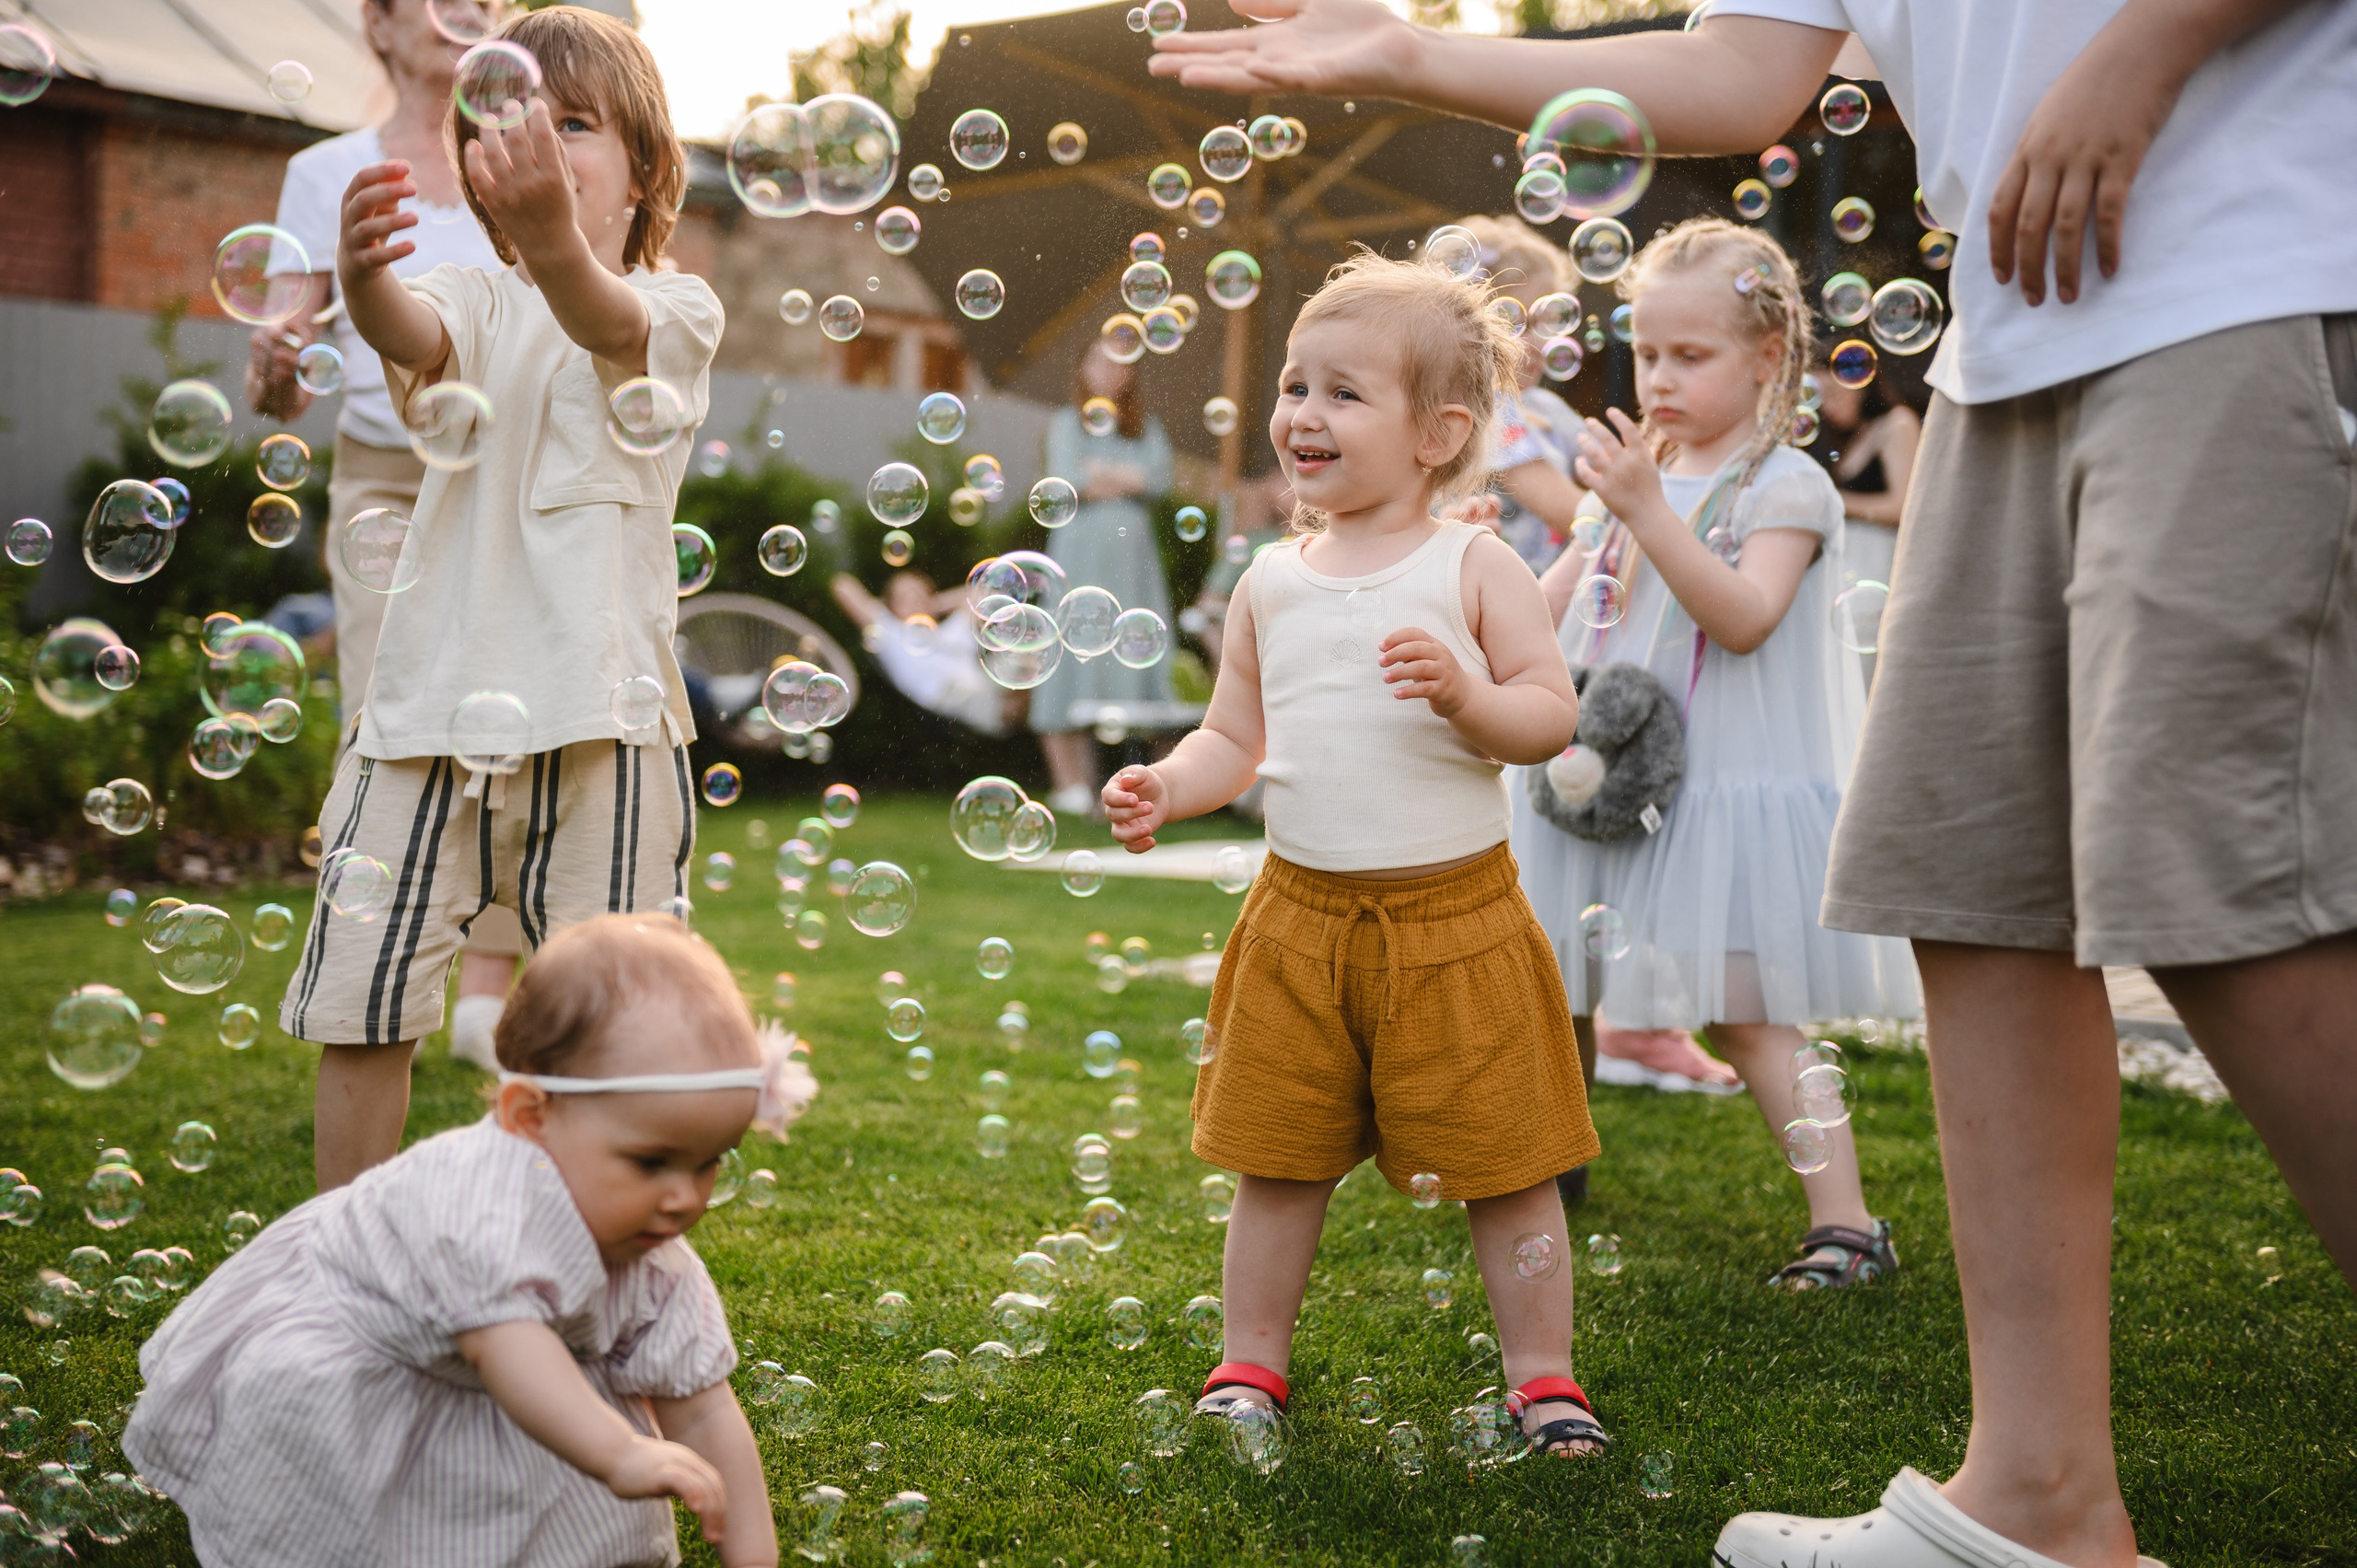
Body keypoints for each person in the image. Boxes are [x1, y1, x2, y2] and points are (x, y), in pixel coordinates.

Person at [1152, 3, 2357, 1564]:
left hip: (2247, 278)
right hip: (2016, 338)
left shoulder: (1772, 480)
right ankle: (2038, 1496)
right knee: (1980, 897)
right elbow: (1741, 67)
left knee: (2225, 890)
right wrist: (1405, 52)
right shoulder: (1301, 573)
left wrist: (2139, 50)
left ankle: (1898, 1302)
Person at [1103, 250, 1608, 1457]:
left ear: (1439, 432)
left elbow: (1550, 712)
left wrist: (1471, 700)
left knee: (1508, 1161)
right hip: (1299, 918)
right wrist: (1168, 784)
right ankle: (1249, 1361)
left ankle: (1543, 1377)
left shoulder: (1472, 564)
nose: (1302, 415)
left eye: (1342, 392)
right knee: (1278, 1156)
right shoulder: (1270, 579)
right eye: (1293, 386)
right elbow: (1236, 734)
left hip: (1457, 919)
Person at [282, 5, 723, 1192]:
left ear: (645, 174)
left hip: (606, 721)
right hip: (426, 712)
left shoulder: (677, 309)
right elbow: (408, 333)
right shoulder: (472, 298)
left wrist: (553, 240)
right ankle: (346, 1247)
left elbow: (604, 318)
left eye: (575, 124)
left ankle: (597, 1255)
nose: (539, 142)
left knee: (614, 1018)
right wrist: (362, 276)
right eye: (514, 121)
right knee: (364, 1000)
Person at [126, 915, 808, 1568]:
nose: (685, 1196)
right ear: (530, 1116)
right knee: (362, 1534)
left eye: (709, 1159)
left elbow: (703, 1405)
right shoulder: (476, 1198)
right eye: (652, 1161)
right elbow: (507, 1345)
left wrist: (752, 1552)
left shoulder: (656, 1259)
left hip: (530, 1390)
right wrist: (621, 1452)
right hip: (373, 1363)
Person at [1523, 215, 1920, 1285]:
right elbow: (1552, 605)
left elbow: (1742, 615)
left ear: (1768, 359)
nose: (1658, 379)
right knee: (1557, 980)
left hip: (1721, 788)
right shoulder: (1634, 473)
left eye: (1689, 356)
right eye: (1646, 353)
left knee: (1744, 1010)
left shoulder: (1785, 483)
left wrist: (1648, 511)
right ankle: (1547, 1160)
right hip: (1602, 769)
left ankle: (1846, 1223)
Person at [251, 0, 524, 1071]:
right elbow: (283, 365)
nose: (472, 13)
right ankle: (379, 981)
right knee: (382, 717)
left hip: (510, 463)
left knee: (518, 709)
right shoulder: (328, 172)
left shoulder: (524, 159)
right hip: (383, 472)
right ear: (377, 21)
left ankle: (491, 993)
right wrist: (272, 366)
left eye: (489, 1)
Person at [1030, 340, 1179, 817]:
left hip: (1132, 567)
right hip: (1081, 558)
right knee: (1074, 651)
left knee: (1137, 652)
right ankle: (1073, 787)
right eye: (1099, 359)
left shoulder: (1146, 428)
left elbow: (1157, 481)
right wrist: (1124, 477)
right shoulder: (1065, 424)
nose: (1111, 370)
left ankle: (1154, 785)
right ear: (1083, 369)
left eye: (1120, 363)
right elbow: (1068, 481)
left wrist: (1104, 474)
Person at [1455, 214, 1590, 574]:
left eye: (1546, 323)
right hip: (1511, 610)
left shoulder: (1544, 406)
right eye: (1514, 324)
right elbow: (1577, 518)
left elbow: (1614, 471)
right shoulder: (1486, 415)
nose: (1537, 343)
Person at [1812, 348, 1921, 687]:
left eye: (1832, 393)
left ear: (1862, 383)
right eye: (1817, 399)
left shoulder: (1897, 423)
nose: (1827, 406)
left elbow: (1905, 505)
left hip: (1880, 567)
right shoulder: (1846, 439)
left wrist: (1834, 501)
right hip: (1848, 571)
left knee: (1867, 676)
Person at [830, 569, 1023, 736]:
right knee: (1012, 700)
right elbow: (841, 585)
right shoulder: (889, 633)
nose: (915, 599)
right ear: (891, 606)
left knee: (1025, 657)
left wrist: (934, 604)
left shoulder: (952, 629)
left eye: (921, 593)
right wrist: (895, 607)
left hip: (987, 679)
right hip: (952, 694)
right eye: (905, 597)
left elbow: (980, 592)